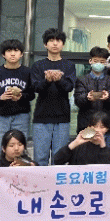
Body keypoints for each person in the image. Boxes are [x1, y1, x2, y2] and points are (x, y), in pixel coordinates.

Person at [30, 28, 77, 166]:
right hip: (41, 117)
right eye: (51, 40)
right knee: (40, 158)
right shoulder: (38, 65)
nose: (55, 43)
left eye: (58, 40)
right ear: (45, 44)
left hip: (62, 117)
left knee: (59, 159)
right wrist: (47, 80)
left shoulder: (69, 65)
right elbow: (36, 87)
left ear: (63, 44)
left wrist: (59, 79)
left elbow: (69, 87)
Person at [0, 39, 35, 164]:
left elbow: (31, 94)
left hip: (21, 116)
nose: (12, 54)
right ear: (3, 54)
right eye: (9, 51)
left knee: (19, 150)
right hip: (0, 116)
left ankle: (18, 173)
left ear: (21, 54)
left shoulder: (27, 72)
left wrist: (21, 96)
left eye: (16, 51)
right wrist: (0, 97)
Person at [73, 47, 110, 135]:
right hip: (86, 125)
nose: (98, 64)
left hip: (105, 125)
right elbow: (77, 100)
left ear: (106, 63)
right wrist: (87, 98)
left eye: (102, 62)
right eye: (95, 61)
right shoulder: (82, 80)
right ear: (90, 61)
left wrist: (108, 96)